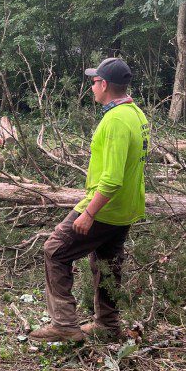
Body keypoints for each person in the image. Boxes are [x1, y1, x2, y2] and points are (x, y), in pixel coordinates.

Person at [29, 58, 149, 342]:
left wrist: (89, 213)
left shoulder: (117, 120)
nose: (92, 87)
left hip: (106, 207)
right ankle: (107, 323)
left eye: (94, 82)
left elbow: (113, 178)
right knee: (107, 263)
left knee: (54, 250)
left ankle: (64, 324)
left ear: (104, 84)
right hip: (126, 208)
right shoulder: (136, 114)